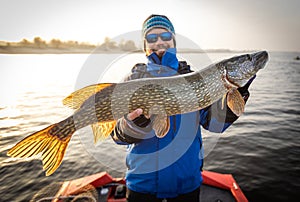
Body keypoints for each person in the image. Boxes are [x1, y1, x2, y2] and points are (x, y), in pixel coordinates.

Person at [111, 14, 254, 202]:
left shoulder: (195, 80)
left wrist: (238, 93)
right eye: (152, 38)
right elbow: (116, 135)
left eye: (165, 36)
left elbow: (214, 124)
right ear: (145, 45)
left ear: (174, 40)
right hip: (142, 186)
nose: (160, 41)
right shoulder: (132, 81)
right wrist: (133, 124)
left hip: (186, 185)